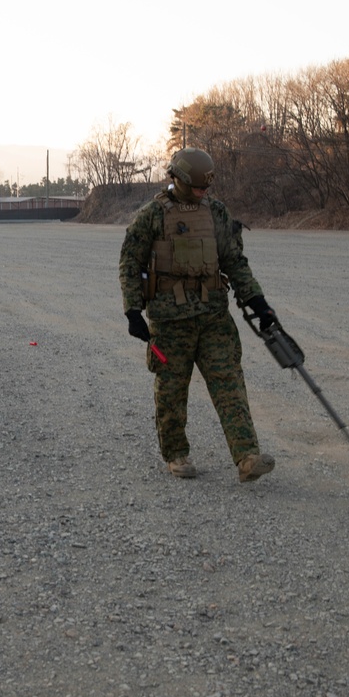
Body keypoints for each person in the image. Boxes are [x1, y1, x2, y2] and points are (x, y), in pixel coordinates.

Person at [119, 147, 278, 482]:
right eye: (196, 186)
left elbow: (234, 261)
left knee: (229, 382)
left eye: (206, 186)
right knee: (172, 390)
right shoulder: (151, 215)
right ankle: (176, 454)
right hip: (169, 320)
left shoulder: (216, 212)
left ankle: (247, 457)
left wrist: (257, 301)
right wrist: (133, 309)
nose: (202, 192)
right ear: (176, 178)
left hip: (212, 315)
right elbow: (130, 263)